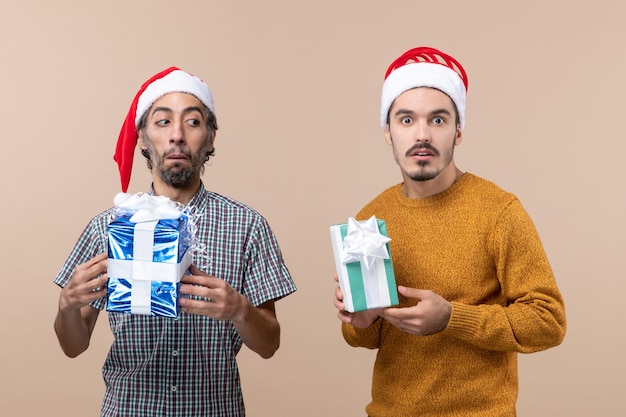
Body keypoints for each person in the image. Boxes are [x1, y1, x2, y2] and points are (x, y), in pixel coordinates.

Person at [333, 46, 566, 416]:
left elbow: (548, 321)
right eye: (406, 120)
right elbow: (363, 337)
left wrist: (451, 318)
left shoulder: (499, 211)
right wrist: (363, 320)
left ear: (458, 131)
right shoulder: (369, 220)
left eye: (437, 120)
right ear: (388, 132)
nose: (421, 135)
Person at [53, 67, 297, 417]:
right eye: (163, 122)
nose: (177, 136)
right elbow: (73, 346)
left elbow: (270, 344)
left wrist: (239, 310)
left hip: (215, 409)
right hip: (129, 409)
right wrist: (66, 306)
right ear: (142, 138)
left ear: (211, 138)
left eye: (193, 122)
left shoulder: (247, 226)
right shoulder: (108, 228)